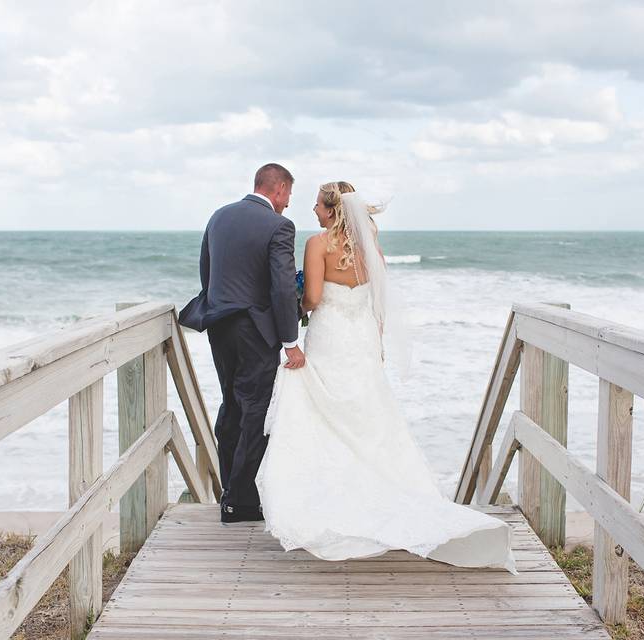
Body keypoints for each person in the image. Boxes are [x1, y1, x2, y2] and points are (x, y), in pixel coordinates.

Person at [255, 181, 517, 571]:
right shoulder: (370, 247)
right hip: (360, 340)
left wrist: (295, 299)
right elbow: (379, 301)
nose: (311, 209)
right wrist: (375, 342)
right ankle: (381, 490)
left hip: (329, 337)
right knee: (369, 417)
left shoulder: (317, 245)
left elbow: (311, 298)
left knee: (323, 415)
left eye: (316, 203)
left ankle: (333, 500)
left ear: (331, 209)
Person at [179, 163, 305, 523]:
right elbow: (282, 287)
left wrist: (220, 303)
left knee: (231, 404)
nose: (287, 204)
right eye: (288, 196)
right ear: (278, 189)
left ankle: (231, 494)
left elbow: (207, 270)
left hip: (219, 323)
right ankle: (240, 499)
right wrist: (289, 340)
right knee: (256, 409)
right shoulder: (279, 226)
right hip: (255, 330)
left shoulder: (219, 216)